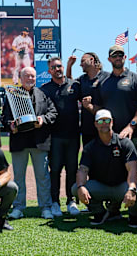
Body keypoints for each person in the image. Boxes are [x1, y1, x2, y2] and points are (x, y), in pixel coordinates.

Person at [71, 109, 137, 227]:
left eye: (107, 120)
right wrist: (81, 186)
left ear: (112, 122)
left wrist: (131, 189)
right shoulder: (90, 147)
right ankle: (100, 213)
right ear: (95, 124)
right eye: (100, 121)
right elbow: (83, 169)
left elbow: (132, 170)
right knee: (75, 188)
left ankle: (135, 215)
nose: (104, 123)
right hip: (102, 186)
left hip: (122, 186)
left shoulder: (124, 143)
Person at [3, 67, 57, 220]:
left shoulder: (43, 94)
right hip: (19, 141)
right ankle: (18, 207)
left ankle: (45, 207)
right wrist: (10, 125)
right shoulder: (12, 95)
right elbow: (5, 118)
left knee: (42, 176)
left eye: (33, 76)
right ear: (20, 77)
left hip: (39, 142)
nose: (30, 79)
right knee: (19, 177)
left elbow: (53, 113)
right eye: (27, 76)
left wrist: (43, 119)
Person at [40, 57, 81, 217]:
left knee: (72, 169)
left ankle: (71, 201)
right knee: (55, 170)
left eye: (59, 66)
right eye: (53, 67)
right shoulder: (45, 89)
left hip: (73, 136)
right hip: (54, 137)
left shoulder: (74, 86)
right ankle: (55, 202)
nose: (57, 69)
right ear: (49, 71)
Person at [87, 45, 137, 149]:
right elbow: (99, 110)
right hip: (109, 136)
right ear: (109, 59)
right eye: (114, 55)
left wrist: (131, 126)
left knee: (134, 165)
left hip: (132, 135)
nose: (118, 58)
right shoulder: (102, 83)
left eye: (120, 55)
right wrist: (89, 106)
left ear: (124, 57)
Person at [66, 52, 108, 146]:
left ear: (92, 60)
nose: (80, 64)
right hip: (88, 130)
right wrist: (69, 66)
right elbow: (69, 84)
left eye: (83, 61)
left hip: (105, 128)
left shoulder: (106, 77)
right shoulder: (82, 79)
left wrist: (90, 106)